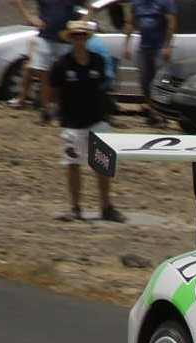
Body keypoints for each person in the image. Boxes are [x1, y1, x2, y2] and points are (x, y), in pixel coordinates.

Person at [49, 20, 125, 222]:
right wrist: (50, 108)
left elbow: (103, 86)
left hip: (97, 119)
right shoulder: (62, 64)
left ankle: (106, 207)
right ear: (71, 39)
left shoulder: (97, 60)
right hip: (71, 122)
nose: (80, 39)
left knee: (103, 164)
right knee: (73, 164)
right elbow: (53, 88)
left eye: (83, 35)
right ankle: (75, 207)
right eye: (76, 36)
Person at [14, 0, 78, 124]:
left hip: (65, 39)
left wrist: (82, 23)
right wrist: (30, 17)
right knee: (44, 76)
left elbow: (89, 7)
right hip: (45, 37)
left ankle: (62, 110)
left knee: (65, 77)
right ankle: (46, 111)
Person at [124, 0, 175, 126]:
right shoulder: (137, 4)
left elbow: (172, 23)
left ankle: (162, 115)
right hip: (144, 48)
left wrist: (167, 45)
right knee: (145, 82)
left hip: (159, 48)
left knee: (158, 83)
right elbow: (130, 23)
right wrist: (126, 43)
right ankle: (152, 113)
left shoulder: (165, 3)